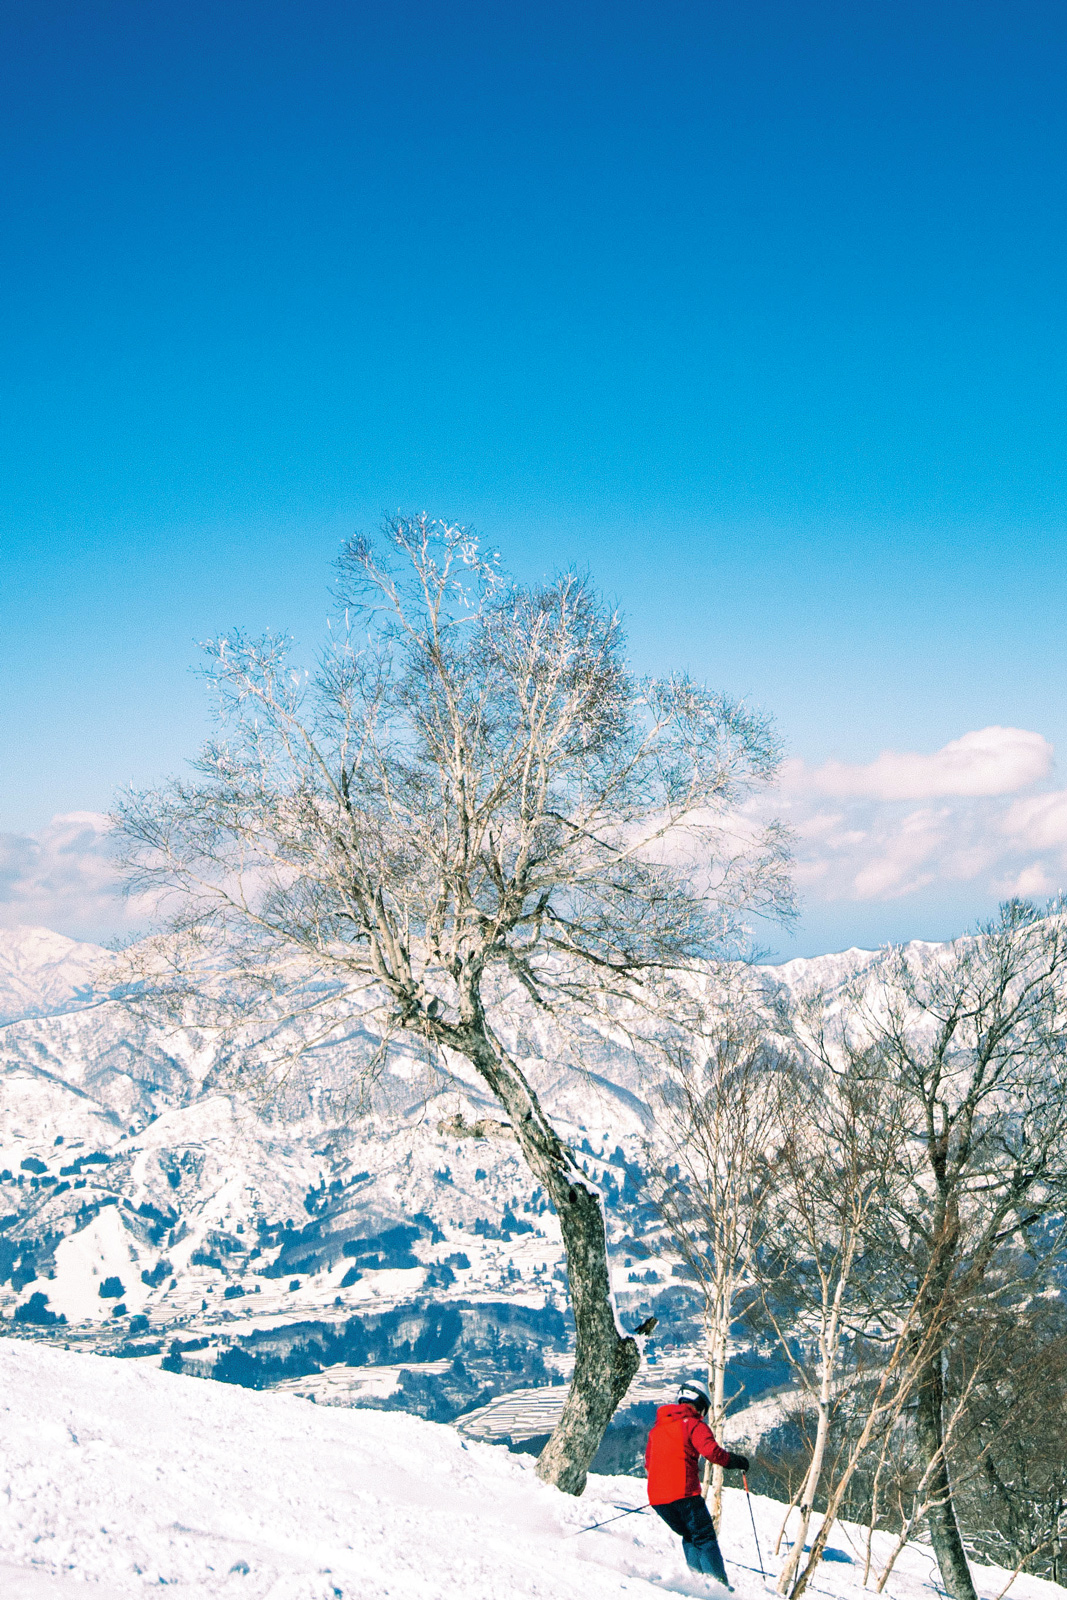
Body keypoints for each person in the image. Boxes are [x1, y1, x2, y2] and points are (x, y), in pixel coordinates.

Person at [645, 1381, 750, 1589]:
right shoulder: (692, 1424)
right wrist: (737, 1461)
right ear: (700, 1404)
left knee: (690, 1536)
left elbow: (649, 1464)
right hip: (684, 1494)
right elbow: (712, 1452)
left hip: (658, 1500)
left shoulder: (656, 1430)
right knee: (704, 1537)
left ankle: (698, 1585)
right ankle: (719, 1588)